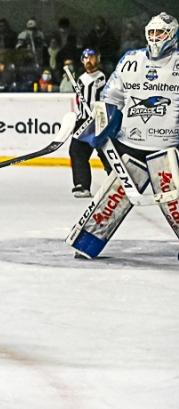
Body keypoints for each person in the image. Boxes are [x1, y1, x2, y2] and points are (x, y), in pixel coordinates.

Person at [68, 12, 179, 259]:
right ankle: (87, 241)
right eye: (151, 32)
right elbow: (111, 99)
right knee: (114, 195)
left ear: (172, 35)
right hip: (132, 143)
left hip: (168, 147)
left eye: (160, 33)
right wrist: (96, 128)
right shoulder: (131, 60)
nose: (155, 37)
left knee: (175, 201)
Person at [68, 49, 110, 198]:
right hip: (83, 121)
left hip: (100, 119)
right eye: (85, 58)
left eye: (91, 57)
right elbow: (78, 102)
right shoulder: (80, 79)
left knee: (106, 151)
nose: (88, 61)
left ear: (97, 59)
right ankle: (81, 185)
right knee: (77, 150)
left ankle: (117, 180)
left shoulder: (104, 78)